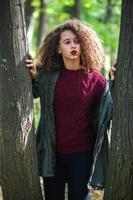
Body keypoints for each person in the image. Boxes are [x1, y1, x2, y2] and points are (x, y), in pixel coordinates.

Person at [26, 19, 113, 200]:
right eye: (67, 42)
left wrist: (114, 83)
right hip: (52, 155)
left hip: (83, 155)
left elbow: (109, 108)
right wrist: (33, 76)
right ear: (58, 48)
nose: (73, 45)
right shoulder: (48, 76)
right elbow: (34, 92)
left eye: (77, 41)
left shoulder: (95, 79)